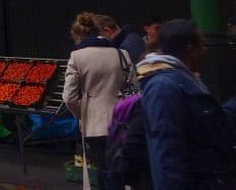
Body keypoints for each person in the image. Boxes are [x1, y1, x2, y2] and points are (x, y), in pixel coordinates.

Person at [139, 19, 236, 187]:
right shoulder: (164, 87)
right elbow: (167, 151)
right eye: (203, 45)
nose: (206, 51)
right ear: (191, 49)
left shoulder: (184, 80)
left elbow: (209, 124)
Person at [64, 11, 135, 180]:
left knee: (103, 171)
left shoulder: (77, 57)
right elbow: (134, 88)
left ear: (78, 36)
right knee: (122, 171)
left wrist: (82, 114)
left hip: (94, 126)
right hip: (122, 122)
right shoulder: (121, 54)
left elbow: (69, 97)